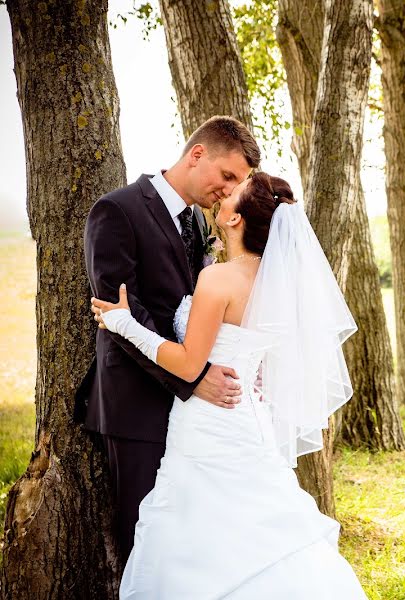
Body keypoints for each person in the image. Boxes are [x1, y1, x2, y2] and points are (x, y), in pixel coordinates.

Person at [91, 171, 366, 598]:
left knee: (192, 527)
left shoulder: (219, 280)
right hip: (249, 422)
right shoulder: (277, 282)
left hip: (206, 424)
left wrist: (125, 325)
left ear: (236, 219)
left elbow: (187, 365)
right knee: (256, 525)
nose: (224, 193)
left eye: (234, 192)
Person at [76, 115, 260, 562]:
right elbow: (121, 312)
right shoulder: (117, 210)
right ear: (198, 155)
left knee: (189, 539)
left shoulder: (197, 224)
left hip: (193, 415)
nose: (230, 190)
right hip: (135, 405)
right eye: (228, 176)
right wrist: (193, 376)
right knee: (146, 543)